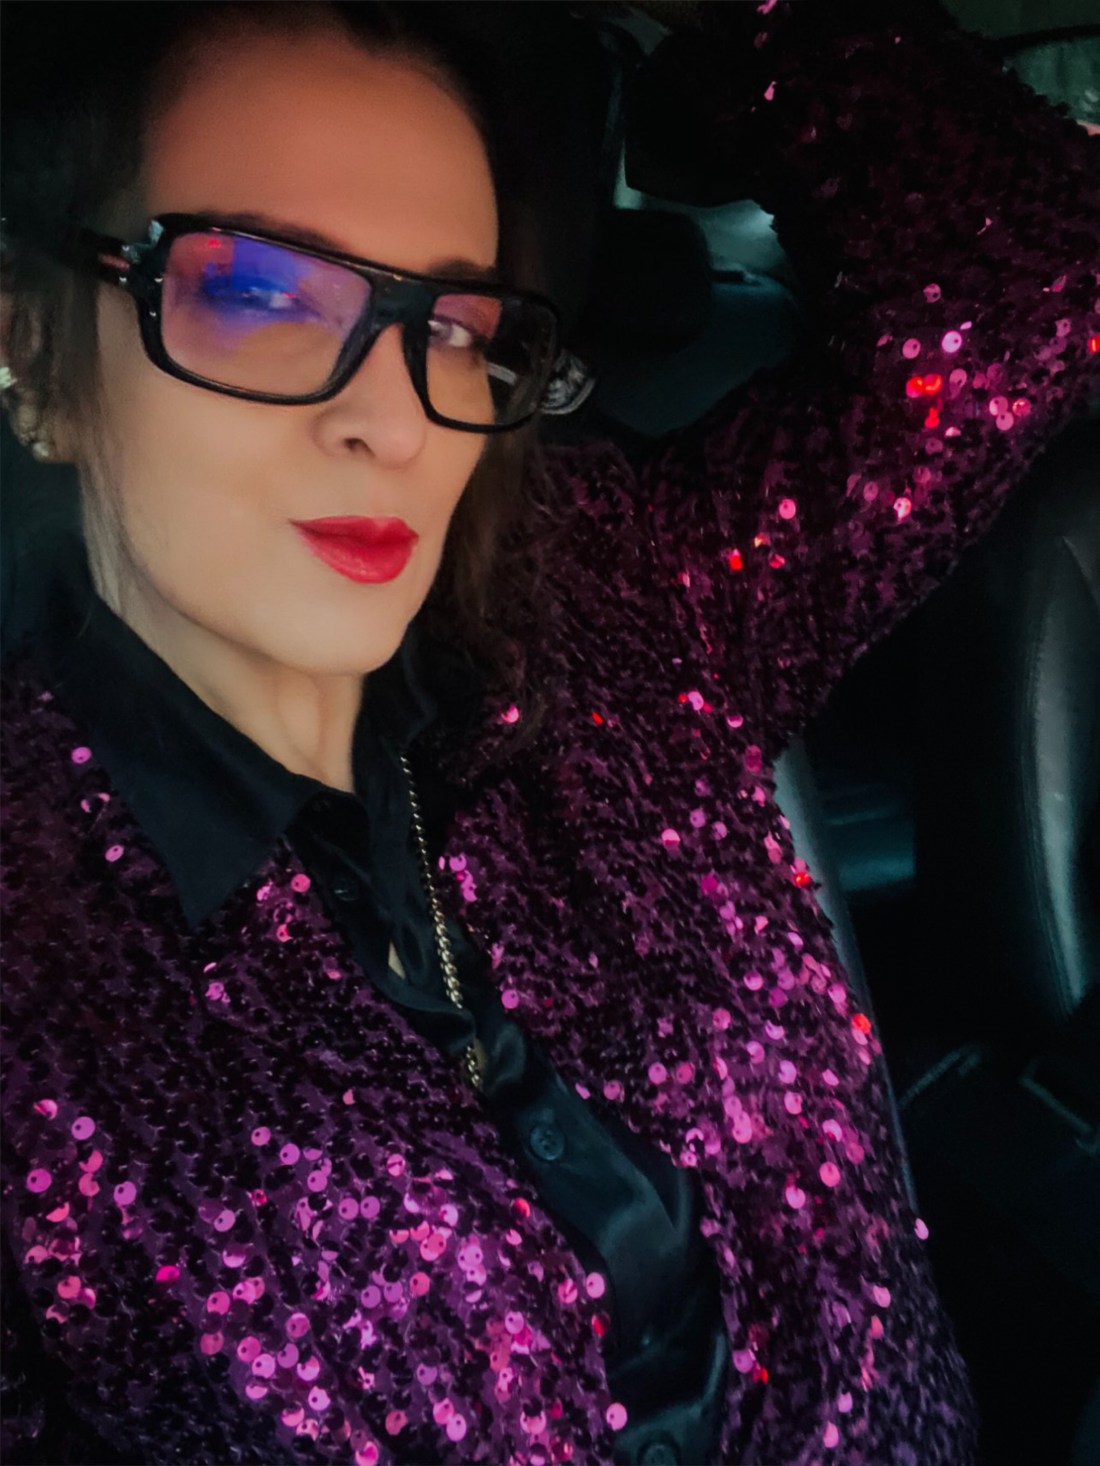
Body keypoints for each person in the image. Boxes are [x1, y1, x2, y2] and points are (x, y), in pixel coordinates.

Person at [1, 2, 1096, 1463]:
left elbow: (1031, 282)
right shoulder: (32, 959)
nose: (396, 422)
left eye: (453, 327)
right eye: (261, 292)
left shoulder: (619, 598)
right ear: (35, 351)